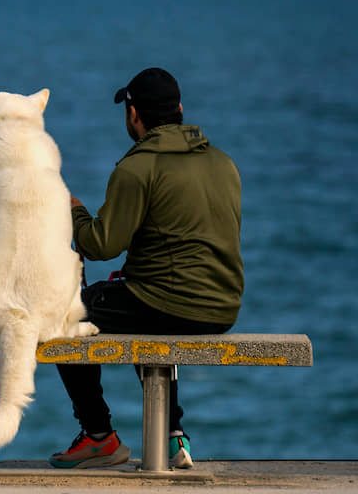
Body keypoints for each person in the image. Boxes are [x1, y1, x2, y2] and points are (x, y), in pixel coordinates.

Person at [49, 68, 244, 470]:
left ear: (133, 114)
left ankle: (99, 435)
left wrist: (74, 211)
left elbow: (100, 245)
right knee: (138, 297)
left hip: (168, 302)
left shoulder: (137, 168)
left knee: (61, 314)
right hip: (222, 306)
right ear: (180, 111)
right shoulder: (223, 163)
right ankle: (174, 437)